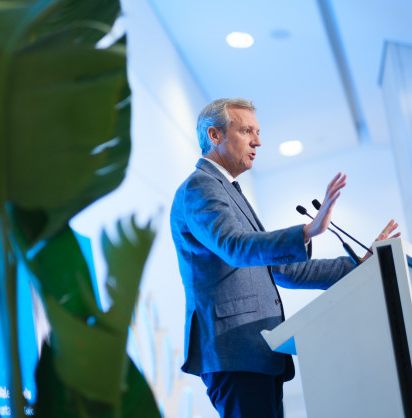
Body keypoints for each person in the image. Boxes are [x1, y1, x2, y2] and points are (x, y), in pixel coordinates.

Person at [169, 98, 400, 417]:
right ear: (215, 135)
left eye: (258, 131)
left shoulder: (229, 189)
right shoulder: (200, 186)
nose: (258, 141)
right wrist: (306, 231)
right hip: (235, 353)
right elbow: (235, 247)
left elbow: (284, 270)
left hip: (258, 354)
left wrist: (359, 265)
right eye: (246, 130)